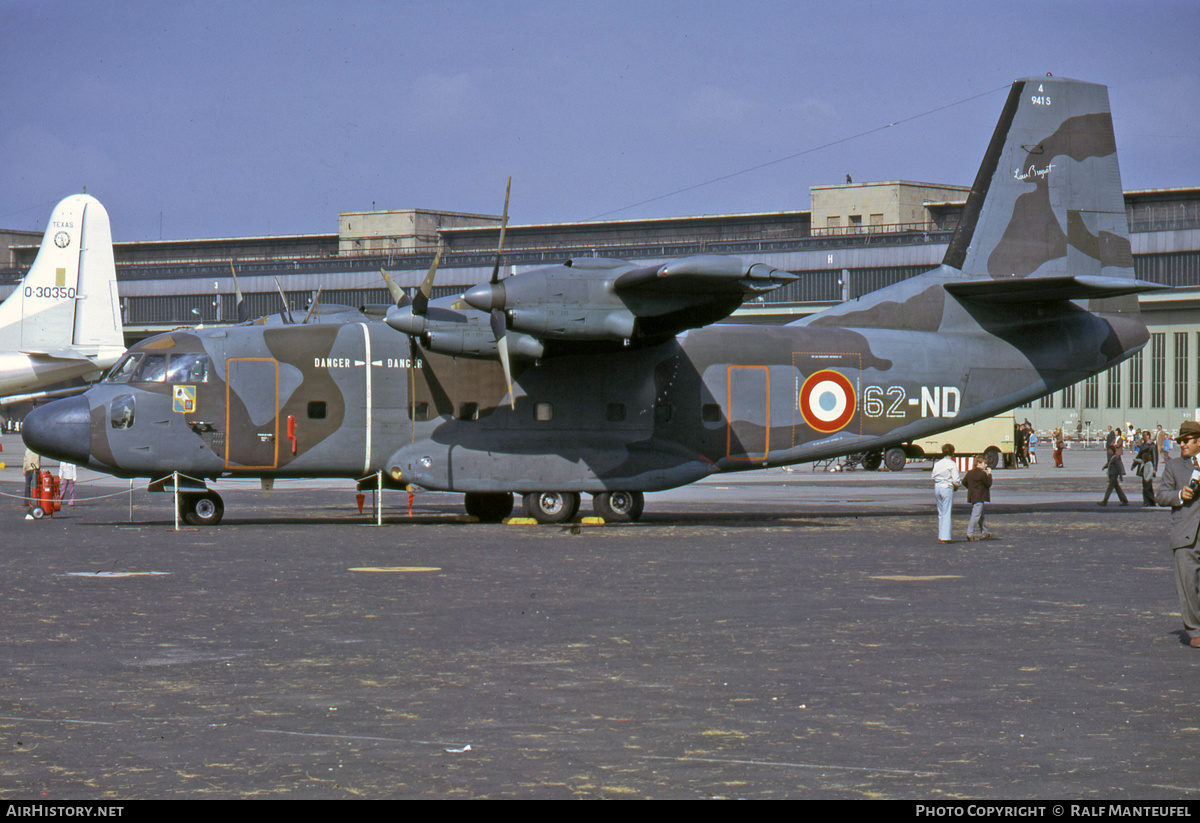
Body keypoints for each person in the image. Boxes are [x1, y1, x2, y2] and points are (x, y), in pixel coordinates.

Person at [1154, 420, 1200, 648]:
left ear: (1199, 442)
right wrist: (1179, 495)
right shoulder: (1173, 467)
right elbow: (1161, 495)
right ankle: (1195, 631)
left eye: (1186, 441)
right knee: (1187, 585)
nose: (1181, 444)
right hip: (1185, 535)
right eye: (1180, 440)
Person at [932, 443, 961, 544]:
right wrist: (957, 485)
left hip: (937, 487)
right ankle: (946, 537)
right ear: (952, 452)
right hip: (947, 487)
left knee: (940, 513)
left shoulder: (938, 463)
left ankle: (941, 536)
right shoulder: (952, 464)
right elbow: (956, 479)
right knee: (946, 512)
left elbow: (933, 476)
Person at [964, 456, 995, 541]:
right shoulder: (982, 474)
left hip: (973, 496)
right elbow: (988, 483)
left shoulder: (970, 473)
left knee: (980, 515)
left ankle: (985, 533)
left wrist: (971, 488)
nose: (985, 465)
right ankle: (970, 534)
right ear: (978, 463)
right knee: (976, 515)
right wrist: (989, 474)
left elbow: (964, 482)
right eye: (984, 463)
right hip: (980, 496)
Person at [1131, 433, 1156, 507]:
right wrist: (1134, 465)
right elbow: (1139, 457)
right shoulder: (1143, 445)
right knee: (1147, 486)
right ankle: (1149, 501)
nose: (1143, 437)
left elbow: (1155, 457)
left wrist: (1154, 468)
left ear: (1148, 436)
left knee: (1147, 487)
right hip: (1143, 468)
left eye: (1144, 436)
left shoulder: (1152, 445)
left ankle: (1150, 501)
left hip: (1149, 467)